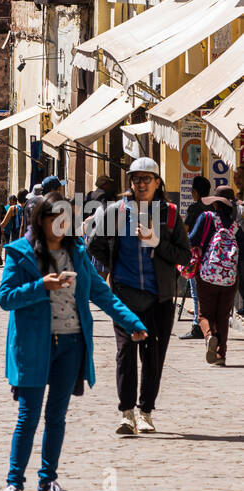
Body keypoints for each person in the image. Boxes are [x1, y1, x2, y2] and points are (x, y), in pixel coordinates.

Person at [0, 197, 147, 491]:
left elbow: (102, 294)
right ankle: (13, 485)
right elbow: (6, 298)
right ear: (41, 219)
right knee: (28, 417)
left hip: (71, 345)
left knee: (56, 417)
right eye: (56, 218)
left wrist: (132, 322)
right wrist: (41, 286)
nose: (62, 224)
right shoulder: (20, 254)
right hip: (33, 347)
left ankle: (47, 481)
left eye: (67, 218)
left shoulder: (77, 254)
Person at [86, 156, 189, 434]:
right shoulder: (116, 212)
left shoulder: (168, 214)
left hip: (159, 299)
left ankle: (146, 412)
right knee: (126, 354)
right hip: (125, 298)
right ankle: (126, 412)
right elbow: (93, 245)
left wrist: (158, 245)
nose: (141, 184)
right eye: (136, 179)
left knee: (153, 356)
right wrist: (113, 265)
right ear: (130, 182)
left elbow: (185, 254)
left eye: (147, 179)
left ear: (158, 182)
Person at [189, 185, 240, 366]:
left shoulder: (207, 218)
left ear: (216, 204)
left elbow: (192, 240)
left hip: (207, 275)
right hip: (229, 278)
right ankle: (221, 355)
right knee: (222, 316)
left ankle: (209, 336)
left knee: (204, 315)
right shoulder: (235, 227)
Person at [180, 175, 212, 340]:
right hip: (213, 256)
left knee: (195, 292)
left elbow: (185, 230)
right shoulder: (214, 207)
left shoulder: (195, 208)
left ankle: (197, 326)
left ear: (195, 192)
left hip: (196, 256)